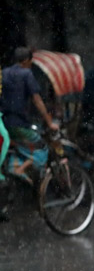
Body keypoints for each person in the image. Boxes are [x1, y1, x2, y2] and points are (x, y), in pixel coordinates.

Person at [1, 47, 58, 181]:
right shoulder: (26, 74)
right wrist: (49, 122)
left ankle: (13, 166)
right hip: (19, 124)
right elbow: (37, 100)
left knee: (19, 146)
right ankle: (19, 168)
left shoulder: (3, 73)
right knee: (42, 147)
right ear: (27, 60)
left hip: (4, 124)